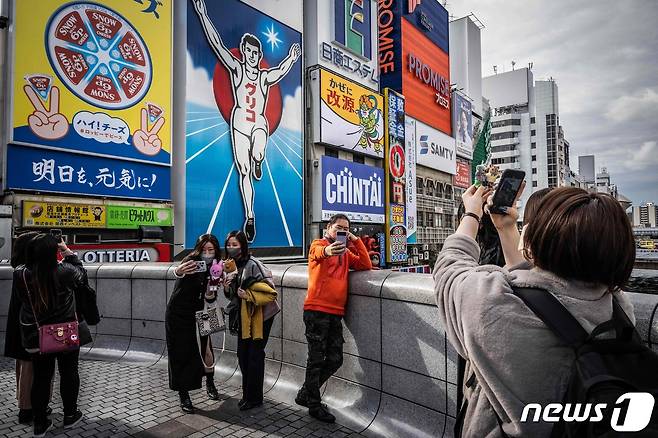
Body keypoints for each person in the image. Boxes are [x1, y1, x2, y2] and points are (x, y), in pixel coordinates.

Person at [434, 185, 636, 437]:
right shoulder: (619, 307)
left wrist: (472, 214)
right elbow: (536, 287)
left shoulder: (493, 303)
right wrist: (506, 227)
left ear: (540, 239)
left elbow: (450, 267)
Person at [192, 0, 301, 242]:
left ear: (259, 55)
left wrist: (292, 58)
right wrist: (202, 14)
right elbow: (217, 45)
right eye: (248, 52)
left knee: (260, 147)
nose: (251, 56)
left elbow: (281, 71)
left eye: (255, 53)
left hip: (258, 122)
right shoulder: (237, 70)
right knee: (244, 172)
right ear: (244, 53)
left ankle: (259, 159)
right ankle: (250, 216)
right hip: (239, 121)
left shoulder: (263, 77)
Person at [295, 214, 372, 423]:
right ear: (328, 227)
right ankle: (313, 404)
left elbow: (366, 265)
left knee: (336, 358)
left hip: (336, 312)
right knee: (316, 359)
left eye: (346, 229)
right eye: (339, 227)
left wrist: (355, 240)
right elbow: (318, 253)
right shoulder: (318, 244)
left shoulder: (346, 251)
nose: (343, 231)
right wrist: (328, 250)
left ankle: (306, 394)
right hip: (316, 310)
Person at [14, 234, 86, 437]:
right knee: (69, 373)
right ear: (51, 252)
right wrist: (68, 252)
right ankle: (70, 415)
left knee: (41, 378)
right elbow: (81, 274)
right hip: (65, 334)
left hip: (36, 335)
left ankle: (40, 423)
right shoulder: (63, 271)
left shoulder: (21, 274)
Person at [223, 230, 279, 410]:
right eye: (229, 245)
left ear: (243, 245)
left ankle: (254, 398)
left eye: (235, 244)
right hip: (244, 317)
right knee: (242, 355)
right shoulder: (231, 266)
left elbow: (270, 291)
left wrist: (247, 295)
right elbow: (232, 296)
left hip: (261, 316)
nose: (231, 248)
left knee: (254, 356)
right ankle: (247, 394)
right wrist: (226, 287)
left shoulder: (254, 264)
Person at [166, 234, 222, 413]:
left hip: (206, 309)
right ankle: (184, 394)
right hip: (179, 311)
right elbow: (177, 272)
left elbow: (212, 297)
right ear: (198, 249)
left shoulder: (218, 265)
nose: (207, 253)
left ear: (216, 250)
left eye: (211, 250)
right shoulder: (191, 259)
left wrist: (214, 285)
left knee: (207, 349)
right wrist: (180, 271)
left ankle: (210, 383)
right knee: (182, 350)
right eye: (204, 249)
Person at [4, 232, 54, 424]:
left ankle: (27, 405)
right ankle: (28, 408)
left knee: (24, 366)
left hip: (21, 324)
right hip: (35, 327)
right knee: (32, 367)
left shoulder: (20, 270)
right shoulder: (33, 273)